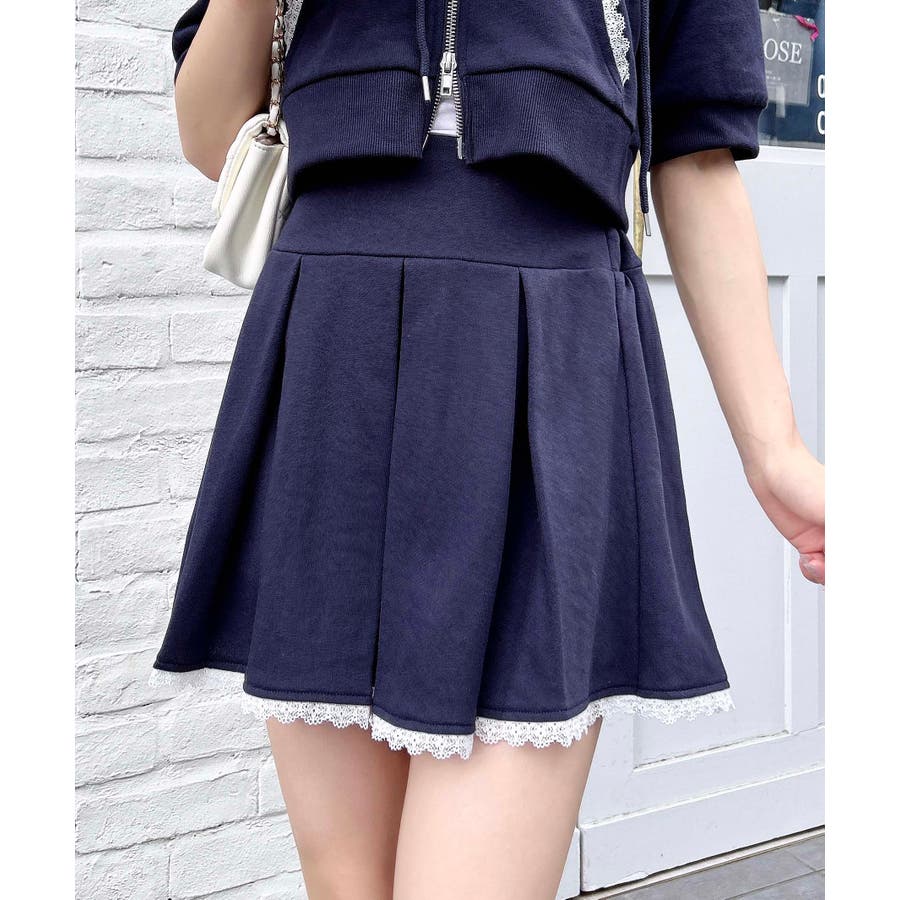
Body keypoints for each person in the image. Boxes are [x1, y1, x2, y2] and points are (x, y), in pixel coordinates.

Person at [149, 2, 825, 897]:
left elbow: (695, 154)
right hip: (334, 343)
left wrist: (775, 452)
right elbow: (211, 137)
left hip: (549, 340)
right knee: (349, 884)